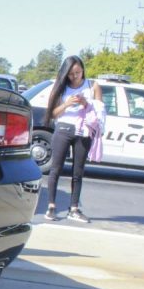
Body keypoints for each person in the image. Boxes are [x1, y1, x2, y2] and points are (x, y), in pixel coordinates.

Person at [42, 55, 102, 223]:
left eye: (78, 72)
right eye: (71, 74)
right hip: (63, 129)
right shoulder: (60, 87)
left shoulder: (93, 86)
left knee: (78, 171)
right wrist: (66, 104)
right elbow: (52, 113)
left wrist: (86, 104)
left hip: (83, 130)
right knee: (56, 169)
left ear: (83, 69)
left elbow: (100, 112)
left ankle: (74, 208)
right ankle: (51, 206)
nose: (75, 76)